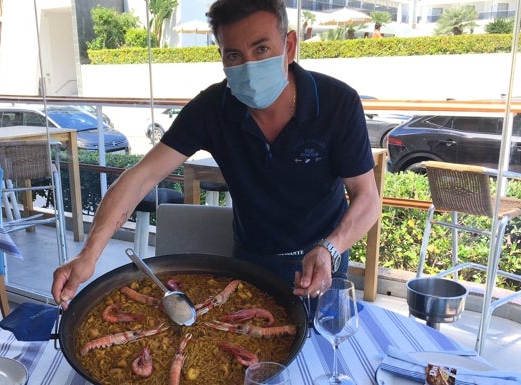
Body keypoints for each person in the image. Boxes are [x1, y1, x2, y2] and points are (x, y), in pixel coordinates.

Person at [51, 0, 380, 308]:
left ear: (289, 46)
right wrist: (89, 255)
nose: (249, 66)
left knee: (326, 352)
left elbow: (367, 198)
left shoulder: (338, 103)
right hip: (250, 262)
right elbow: (141, 178)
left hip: (323, 260)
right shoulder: (212, 108)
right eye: (234, 55)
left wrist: (329, 248)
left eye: (262, 48)